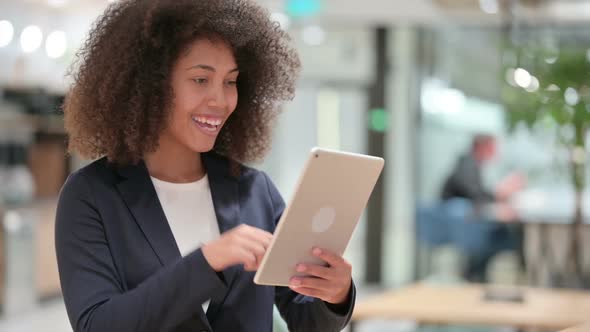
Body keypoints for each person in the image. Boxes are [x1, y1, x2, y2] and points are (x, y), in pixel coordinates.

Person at [55, 1, 355, 331]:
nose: (220, 100)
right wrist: (207, 261)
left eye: (231, 81)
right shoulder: (91, 195)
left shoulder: (255, 191)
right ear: (149, 84)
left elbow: (306, 318)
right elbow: (98, 324)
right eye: (200, 79)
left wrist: (335, 293)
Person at [441, 134, 525, 282]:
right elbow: (476, 196)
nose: (496, 152)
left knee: (505, 234)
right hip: (464, 227)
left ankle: (475, 274)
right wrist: (500, 193)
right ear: (483, 147)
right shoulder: (468, 166)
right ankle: (475, 275)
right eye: (493, 147)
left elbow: (478, 195)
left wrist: (498, 195)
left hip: (465, 225)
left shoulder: (470, 164)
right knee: (508, 236)